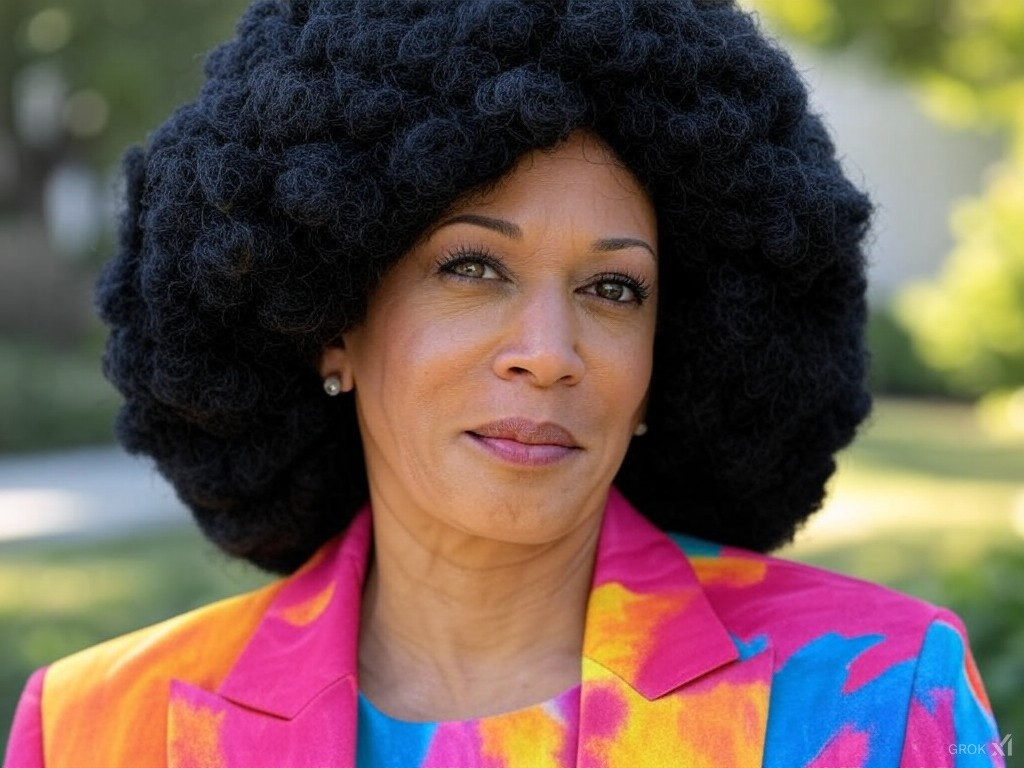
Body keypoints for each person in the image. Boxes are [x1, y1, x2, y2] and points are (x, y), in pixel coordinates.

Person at [4, 1, 1004, 766]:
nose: (549, 351)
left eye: (613, 288)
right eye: (474, 268)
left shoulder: (880, 697)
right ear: (332, 324)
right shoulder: (98, 728)